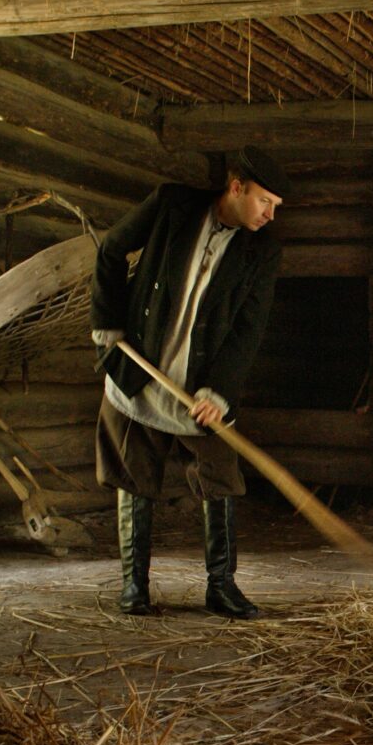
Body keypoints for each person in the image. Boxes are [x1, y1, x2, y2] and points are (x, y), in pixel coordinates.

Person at [90, 146, 291, 619]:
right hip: (141, 369)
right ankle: (134, 587)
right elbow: (111, 250)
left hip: (200, 386)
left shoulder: (263, 251)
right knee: (133, 473)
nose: (270, 214)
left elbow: (248, 329)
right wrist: (109, 325)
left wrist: (218, 392)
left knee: (219, 479)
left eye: (277, 207)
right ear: (236, 187)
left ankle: (220, 586)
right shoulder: (172, 205)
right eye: (266, 201)